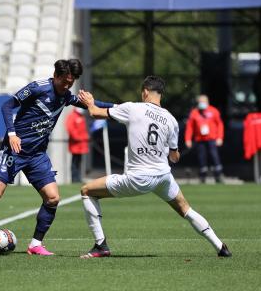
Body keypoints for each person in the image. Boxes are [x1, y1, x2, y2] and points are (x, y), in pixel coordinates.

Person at [0, 59, 115, 256]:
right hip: (14, 150)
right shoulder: (37, 88)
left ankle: (35, 244)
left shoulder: (66, 96)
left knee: (53, 198)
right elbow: (7, 106)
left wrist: (121, 109)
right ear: (56, 76)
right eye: (65, 81)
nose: (68, 86)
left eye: (72, 82)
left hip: (37, 155)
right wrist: (11, 133)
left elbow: (96, 105)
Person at [77, 76, 231, 258]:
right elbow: (174, 157)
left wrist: (89, 102)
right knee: (185, 209)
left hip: (138, 178)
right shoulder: (171, 120)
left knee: (87, 190)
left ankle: (101, 245)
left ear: (145, 92)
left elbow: (95, 113)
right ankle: (221, 247)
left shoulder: (133, 108)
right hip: (163, 176)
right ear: (161, 94)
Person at [184, 95, 224, 183]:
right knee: (201, 157)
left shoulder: (214, 111)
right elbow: (189, 127)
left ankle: (218, 175)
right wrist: (188, 139)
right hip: (200, 139)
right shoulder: (194, 113)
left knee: (214, 156)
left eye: (203, 102)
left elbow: (220, 125)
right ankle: (202, 176)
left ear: (207, 102)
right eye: (200, 102)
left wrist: (220, 137)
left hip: (212, 139)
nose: (201, 103)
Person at [65, 107, 89, 183]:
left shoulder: (81, 116)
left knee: (79, 162)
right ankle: (74, 179)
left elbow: (83, 130)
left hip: (81, 145)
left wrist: (85, 137)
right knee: (74, 163)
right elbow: (70, 129)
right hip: (75, 144)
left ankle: (78, 178)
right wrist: (79, 138)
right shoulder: (73, 116)